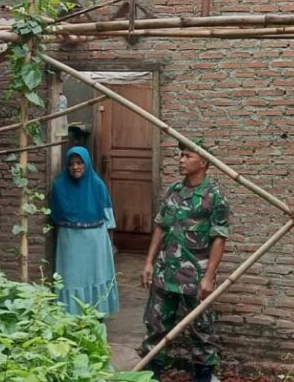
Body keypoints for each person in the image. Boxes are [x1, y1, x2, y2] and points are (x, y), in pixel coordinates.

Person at [139, 141, 231, 382]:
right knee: (155, 326)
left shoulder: (214, 197)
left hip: (195, 276)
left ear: (203, 162)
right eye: (180, 155)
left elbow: (219, 239)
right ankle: (151, 375)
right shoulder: (173, 191)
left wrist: (209, 277)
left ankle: (203, 376)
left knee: (202, 330)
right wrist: (149, 262)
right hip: (165, 272)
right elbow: (160, 227)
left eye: (187, 155)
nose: (181, 159)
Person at [49, 146, 120, 317]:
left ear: (86, 163)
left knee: (96, 276)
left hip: (95, 241)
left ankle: (96, 313)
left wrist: (109, 245)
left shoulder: (97, 185)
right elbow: (55, 215)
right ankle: (70, 314)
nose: (75, 167)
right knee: (71, 278)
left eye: (79, 163)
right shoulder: (59, 187)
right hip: (70, 240)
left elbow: (108, 219)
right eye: (71, 164)